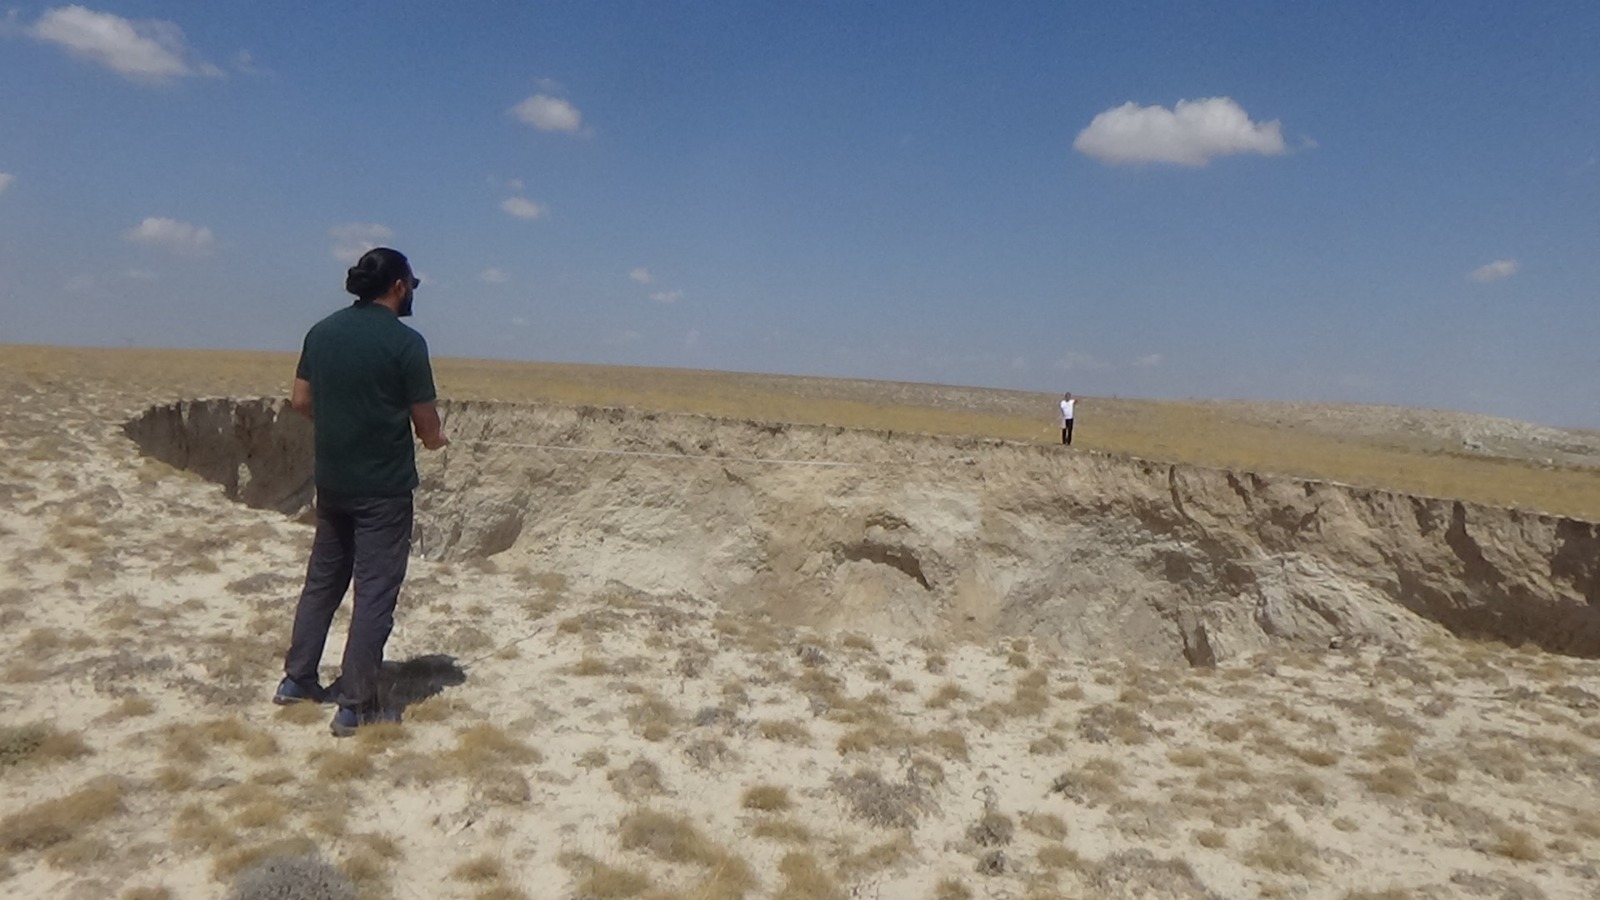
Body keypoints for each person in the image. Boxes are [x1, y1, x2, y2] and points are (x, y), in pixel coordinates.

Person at [273, 247, 449, 737]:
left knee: (323, 582)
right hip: (384, 490)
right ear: (398, 286)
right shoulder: (406, 343)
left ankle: (297, 680)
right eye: (412, 285)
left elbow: (300, 400)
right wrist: (436, 439)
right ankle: (357, 704)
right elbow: (425, 421)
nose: (412, 293)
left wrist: (342, 423)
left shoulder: (321, 332)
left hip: (332, 481)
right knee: (374, 593)